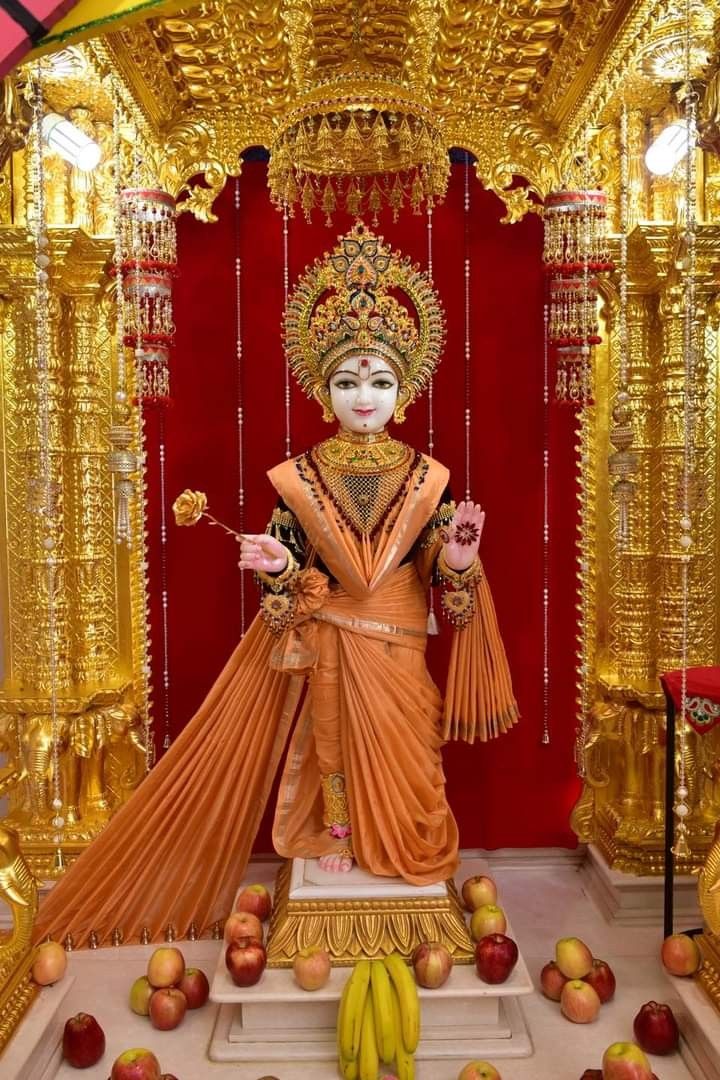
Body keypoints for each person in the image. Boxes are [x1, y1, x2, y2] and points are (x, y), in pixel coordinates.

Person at [33, 223, 517, 947]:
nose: (364, 396)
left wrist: (454, 563)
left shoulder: (427, 479)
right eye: (348, 381)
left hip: (398, 650)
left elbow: (450, 595)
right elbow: (283, 598)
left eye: (380, 381)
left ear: (404, 392)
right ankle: (341, 834)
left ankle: (404, 847)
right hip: (329, 644)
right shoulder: (301, 478)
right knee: (329, 749)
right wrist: (279, 566)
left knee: (414, 758)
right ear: (324, 391)